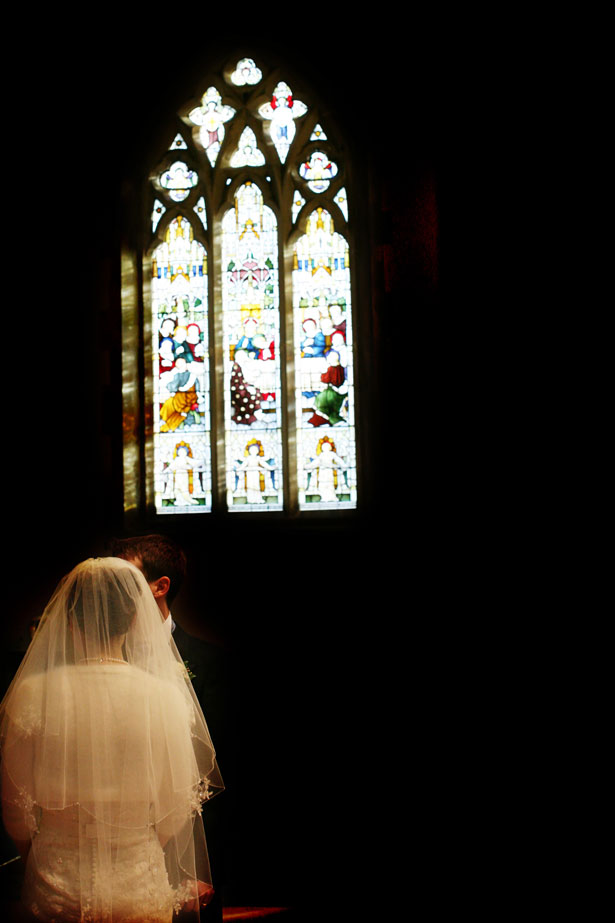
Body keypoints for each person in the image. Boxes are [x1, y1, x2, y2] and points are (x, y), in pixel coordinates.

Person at [0, 557, 223, 922]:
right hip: (137, 881)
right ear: (136, 619)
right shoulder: (164, 696)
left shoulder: (32, 693)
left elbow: (15, 807)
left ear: (68, 620)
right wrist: (134, 847)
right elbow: (177, 804)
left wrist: (38, 856)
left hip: (55, 884)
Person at [108, 534, 229, 923]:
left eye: (127, 578)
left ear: (161, 587)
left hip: (192, 855)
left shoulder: (210, 663)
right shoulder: (101, 658)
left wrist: (199, 866)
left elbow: (218, 770)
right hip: (114, 850)